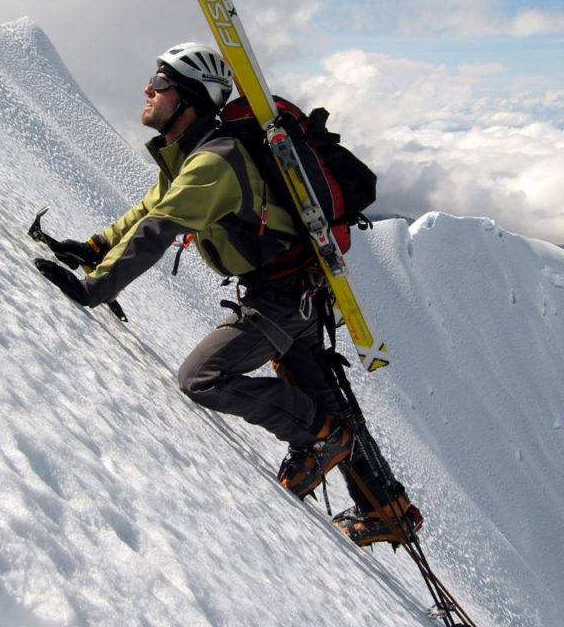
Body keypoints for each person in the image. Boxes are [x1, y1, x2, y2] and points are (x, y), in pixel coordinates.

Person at [31, 42, 420, 545]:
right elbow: (148, 209)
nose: (149, 88)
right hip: (297, 290)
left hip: (280, 298)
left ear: (188, 99)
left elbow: (157, 230)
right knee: (324, 398)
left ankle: (319, 438)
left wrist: (93, 290)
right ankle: (387, 508)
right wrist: (94, 246)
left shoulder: (213, 163)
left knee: (202, 377)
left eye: (162, 83)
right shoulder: (190, 156)